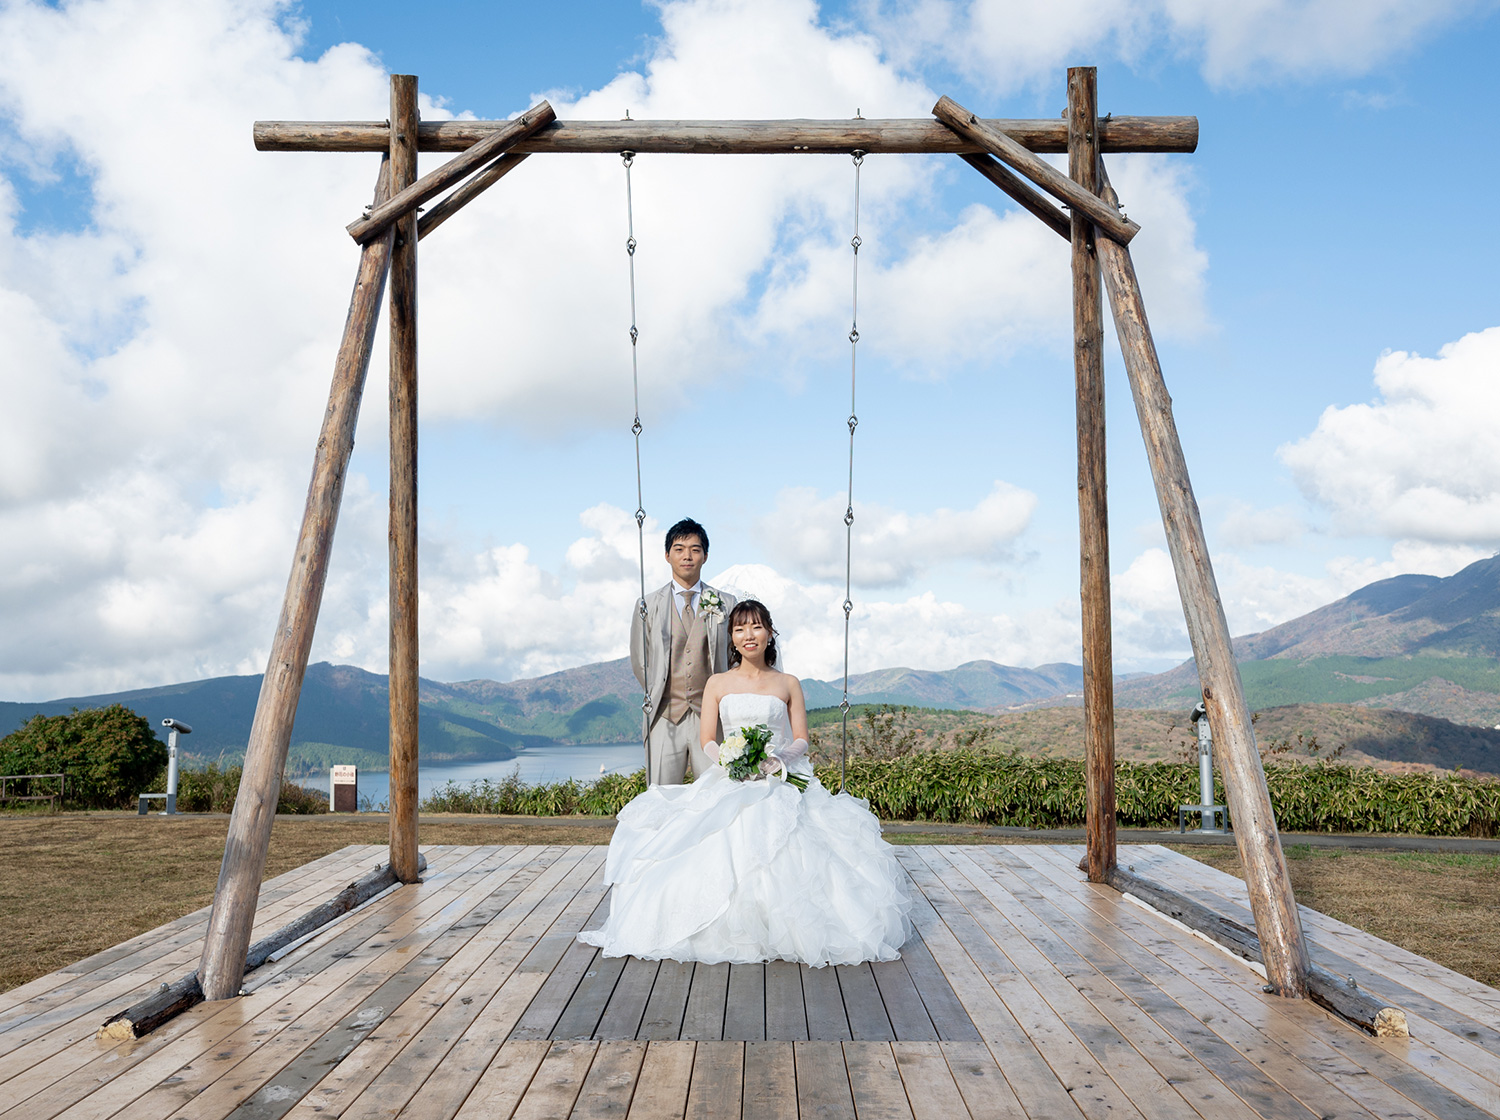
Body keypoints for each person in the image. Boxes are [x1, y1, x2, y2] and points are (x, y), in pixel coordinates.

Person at [581, 599, 913, 967]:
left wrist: (778, 760)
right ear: (732, 638)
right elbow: (708, 737)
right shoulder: (717, 683)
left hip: (777, 774)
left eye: (755, 627)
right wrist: (730, 757)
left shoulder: (788, 683)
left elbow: (801, 737)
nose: (748, 635)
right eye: (739, 629)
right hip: (733, 774)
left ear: (769, 632)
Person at [630, 518, 738, 786]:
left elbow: (734, 657)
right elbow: (640, 659)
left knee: (716, 795)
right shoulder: (648, 604)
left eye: (695, 549)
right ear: (667, 556)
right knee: (660, 798)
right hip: (665, 714)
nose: (687, 556)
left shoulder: (726, 603)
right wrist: (659, 689)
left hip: (713, 719)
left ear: (705, 556)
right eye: (679, 549)